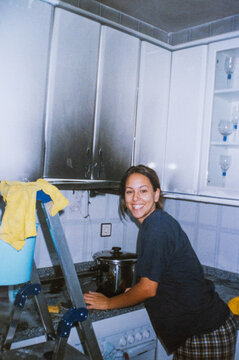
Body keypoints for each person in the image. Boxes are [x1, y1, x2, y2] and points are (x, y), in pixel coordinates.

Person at [84, 164, 237, 359]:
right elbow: (162, 277)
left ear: (156, 194)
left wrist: (109, 304)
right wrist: (137, 290)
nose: (135, 198)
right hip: (202, 328)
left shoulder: (156, 227)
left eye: (143, 191)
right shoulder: (156, 222)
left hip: (204, 332)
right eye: (130, 192)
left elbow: (148, 289)